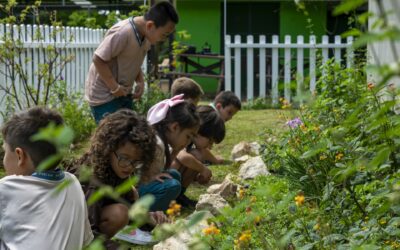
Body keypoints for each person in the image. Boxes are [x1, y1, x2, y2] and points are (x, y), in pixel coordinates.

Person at [0, 107, 93, 249]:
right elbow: (86, 241)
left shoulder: (6, 188)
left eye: (5, 151)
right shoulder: (72, 182)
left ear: (20, 155)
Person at [74, 109, 169, 245]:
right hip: (76, 229)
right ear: (108, 148)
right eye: (125, 158)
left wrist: (152, 219)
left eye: (137, 161)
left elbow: (130, 209)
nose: (129, 167)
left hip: (87, 223)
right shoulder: (93, 179)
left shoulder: (117, 168)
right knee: (119, 213)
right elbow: (87, 230)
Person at [85, 1, 179, 123]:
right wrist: (114, 87)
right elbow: (98, 59)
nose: (164, 39)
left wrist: (140, 81)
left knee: (130, 132)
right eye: (164, 35)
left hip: (123, 92)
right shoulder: (122, 32)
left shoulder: (146, 35)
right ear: (150, 26)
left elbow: (133, 59)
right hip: (104, 96)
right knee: (112, 137)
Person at [138, 94, 200, 211]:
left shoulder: (161, 141)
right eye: (187, 136)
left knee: (174, 174)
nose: (187, 142)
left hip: (144, 182)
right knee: (173, 186)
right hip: (134, 190)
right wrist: (150, 177)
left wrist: (175, 151)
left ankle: (161, 208)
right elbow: (135, 174)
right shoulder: (157, 144)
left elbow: (162, 167)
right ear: (175, 127)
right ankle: (148, 216)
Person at [171, 105, 225, 207]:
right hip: (163, 177)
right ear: (200, 131)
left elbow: (204, 152)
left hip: (171, 177)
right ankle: (174, 195)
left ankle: (179, 195)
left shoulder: (191, 140)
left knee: (197, 155)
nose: (210, 146)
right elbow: (182, 156)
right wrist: (202, 168)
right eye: (210, 141)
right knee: (195, 156)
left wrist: (196, 176)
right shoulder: (183, 138)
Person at [203, 91, 242, 164]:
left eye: (233, 115)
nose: (230, 117)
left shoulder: (207, 112)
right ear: (219, 107)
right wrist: (214, 160)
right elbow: (201, 146)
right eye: (229, 112)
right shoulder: (209, 119)